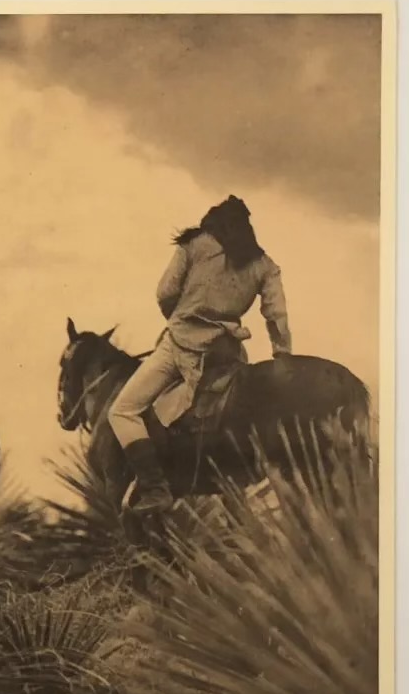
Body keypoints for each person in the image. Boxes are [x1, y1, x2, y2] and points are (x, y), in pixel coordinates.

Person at [106, 195, 293, 515]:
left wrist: (180, 317)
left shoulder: (193, 245)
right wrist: (282, 353)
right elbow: (276, 314)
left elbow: (164, 292)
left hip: (178, 344)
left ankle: (154, 487)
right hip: (225, 351)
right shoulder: (264, 264)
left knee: (123, 411)